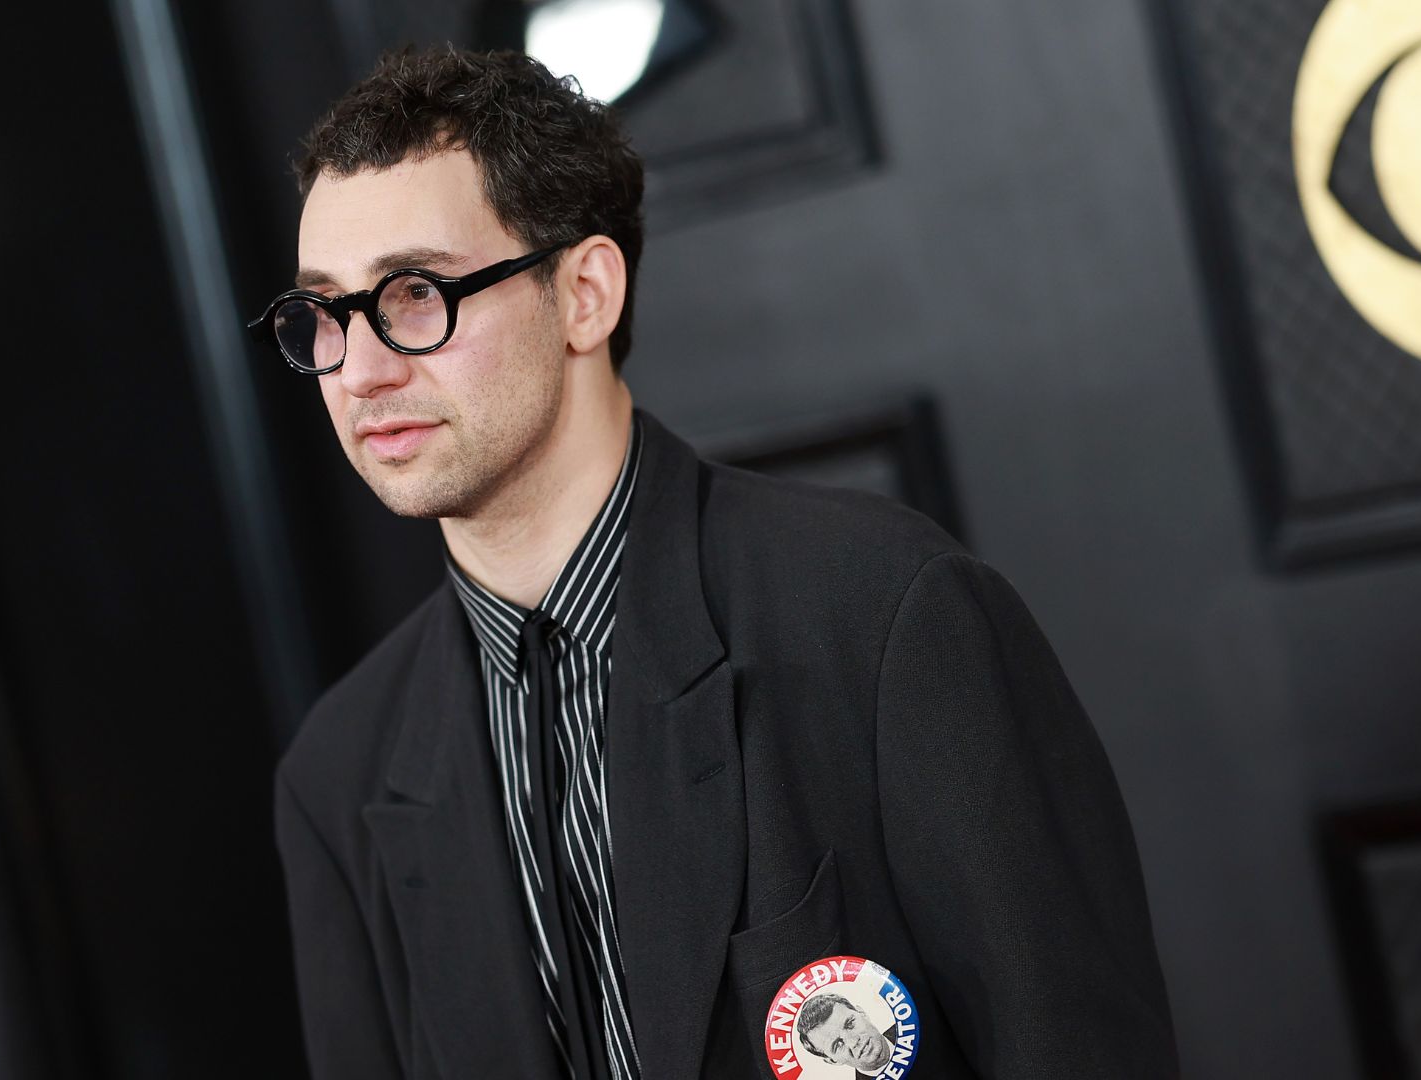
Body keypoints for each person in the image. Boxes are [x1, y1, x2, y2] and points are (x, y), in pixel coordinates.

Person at [267, 46, 1179, 1080]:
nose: (363, 368)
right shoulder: (336, 778)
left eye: (415, 293)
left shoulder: (888, 618)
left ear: (584, 294)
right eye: (323, 314)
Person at [797, 993, 892, 1077]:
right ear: (833, 1061)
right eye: (837, 1045)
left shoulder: (906, 1023)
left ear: (862, 1014)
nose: (854, 1041)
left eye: (850, 1024)